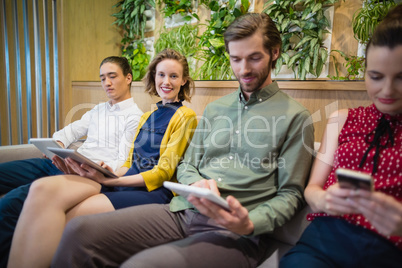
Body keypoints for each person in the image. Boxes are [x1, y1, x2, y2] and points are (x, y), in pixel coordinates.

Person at [50, 13, 315, 268]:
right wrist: (195, 183)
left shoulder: (296, 117)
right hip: (182, 212)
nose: (243, 69)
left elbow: (291, 194)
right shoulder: (215, 109)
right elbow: (187, 166)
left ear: (275, 52)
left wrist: (250, 223)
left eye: (254, 58)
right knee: (80, 231)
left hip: (238, 233)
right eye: (236, 59)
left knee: (143, 264)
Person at [7, 48, 198, 268]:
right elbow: (128, 163)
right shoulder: (148, 115)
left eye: (174, 76)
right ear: (153, 77)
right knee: (45, 193)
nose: (166, 81)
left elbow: (163, 172)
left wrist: (112, 181)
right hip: (125, 181)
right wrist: (109, 172)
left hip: (153, 191)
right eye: (161, 74)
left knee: (71, 221)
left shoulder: (186, 116)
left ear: (184, 80)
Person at [280, 4, 402, 267]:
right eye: (376, 76)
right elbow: (312, 189)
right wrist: (323, 199)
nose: (387, 90)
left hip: (390, 249)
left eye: (401, 77)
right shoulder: (342, 119)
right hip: (324, 237)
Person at [0, 55, 143, 267]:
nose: (107, 83)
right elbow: (70, 131)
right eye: (103, 78)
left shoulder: (136, 117)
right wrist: (57, 142)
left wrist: (105, 169)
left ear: (128, 78)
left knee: (9, 203)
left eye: (112, 76)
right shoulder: (97, 110)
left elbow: (124, 159)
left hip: (85, 173)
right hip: (61, 162)